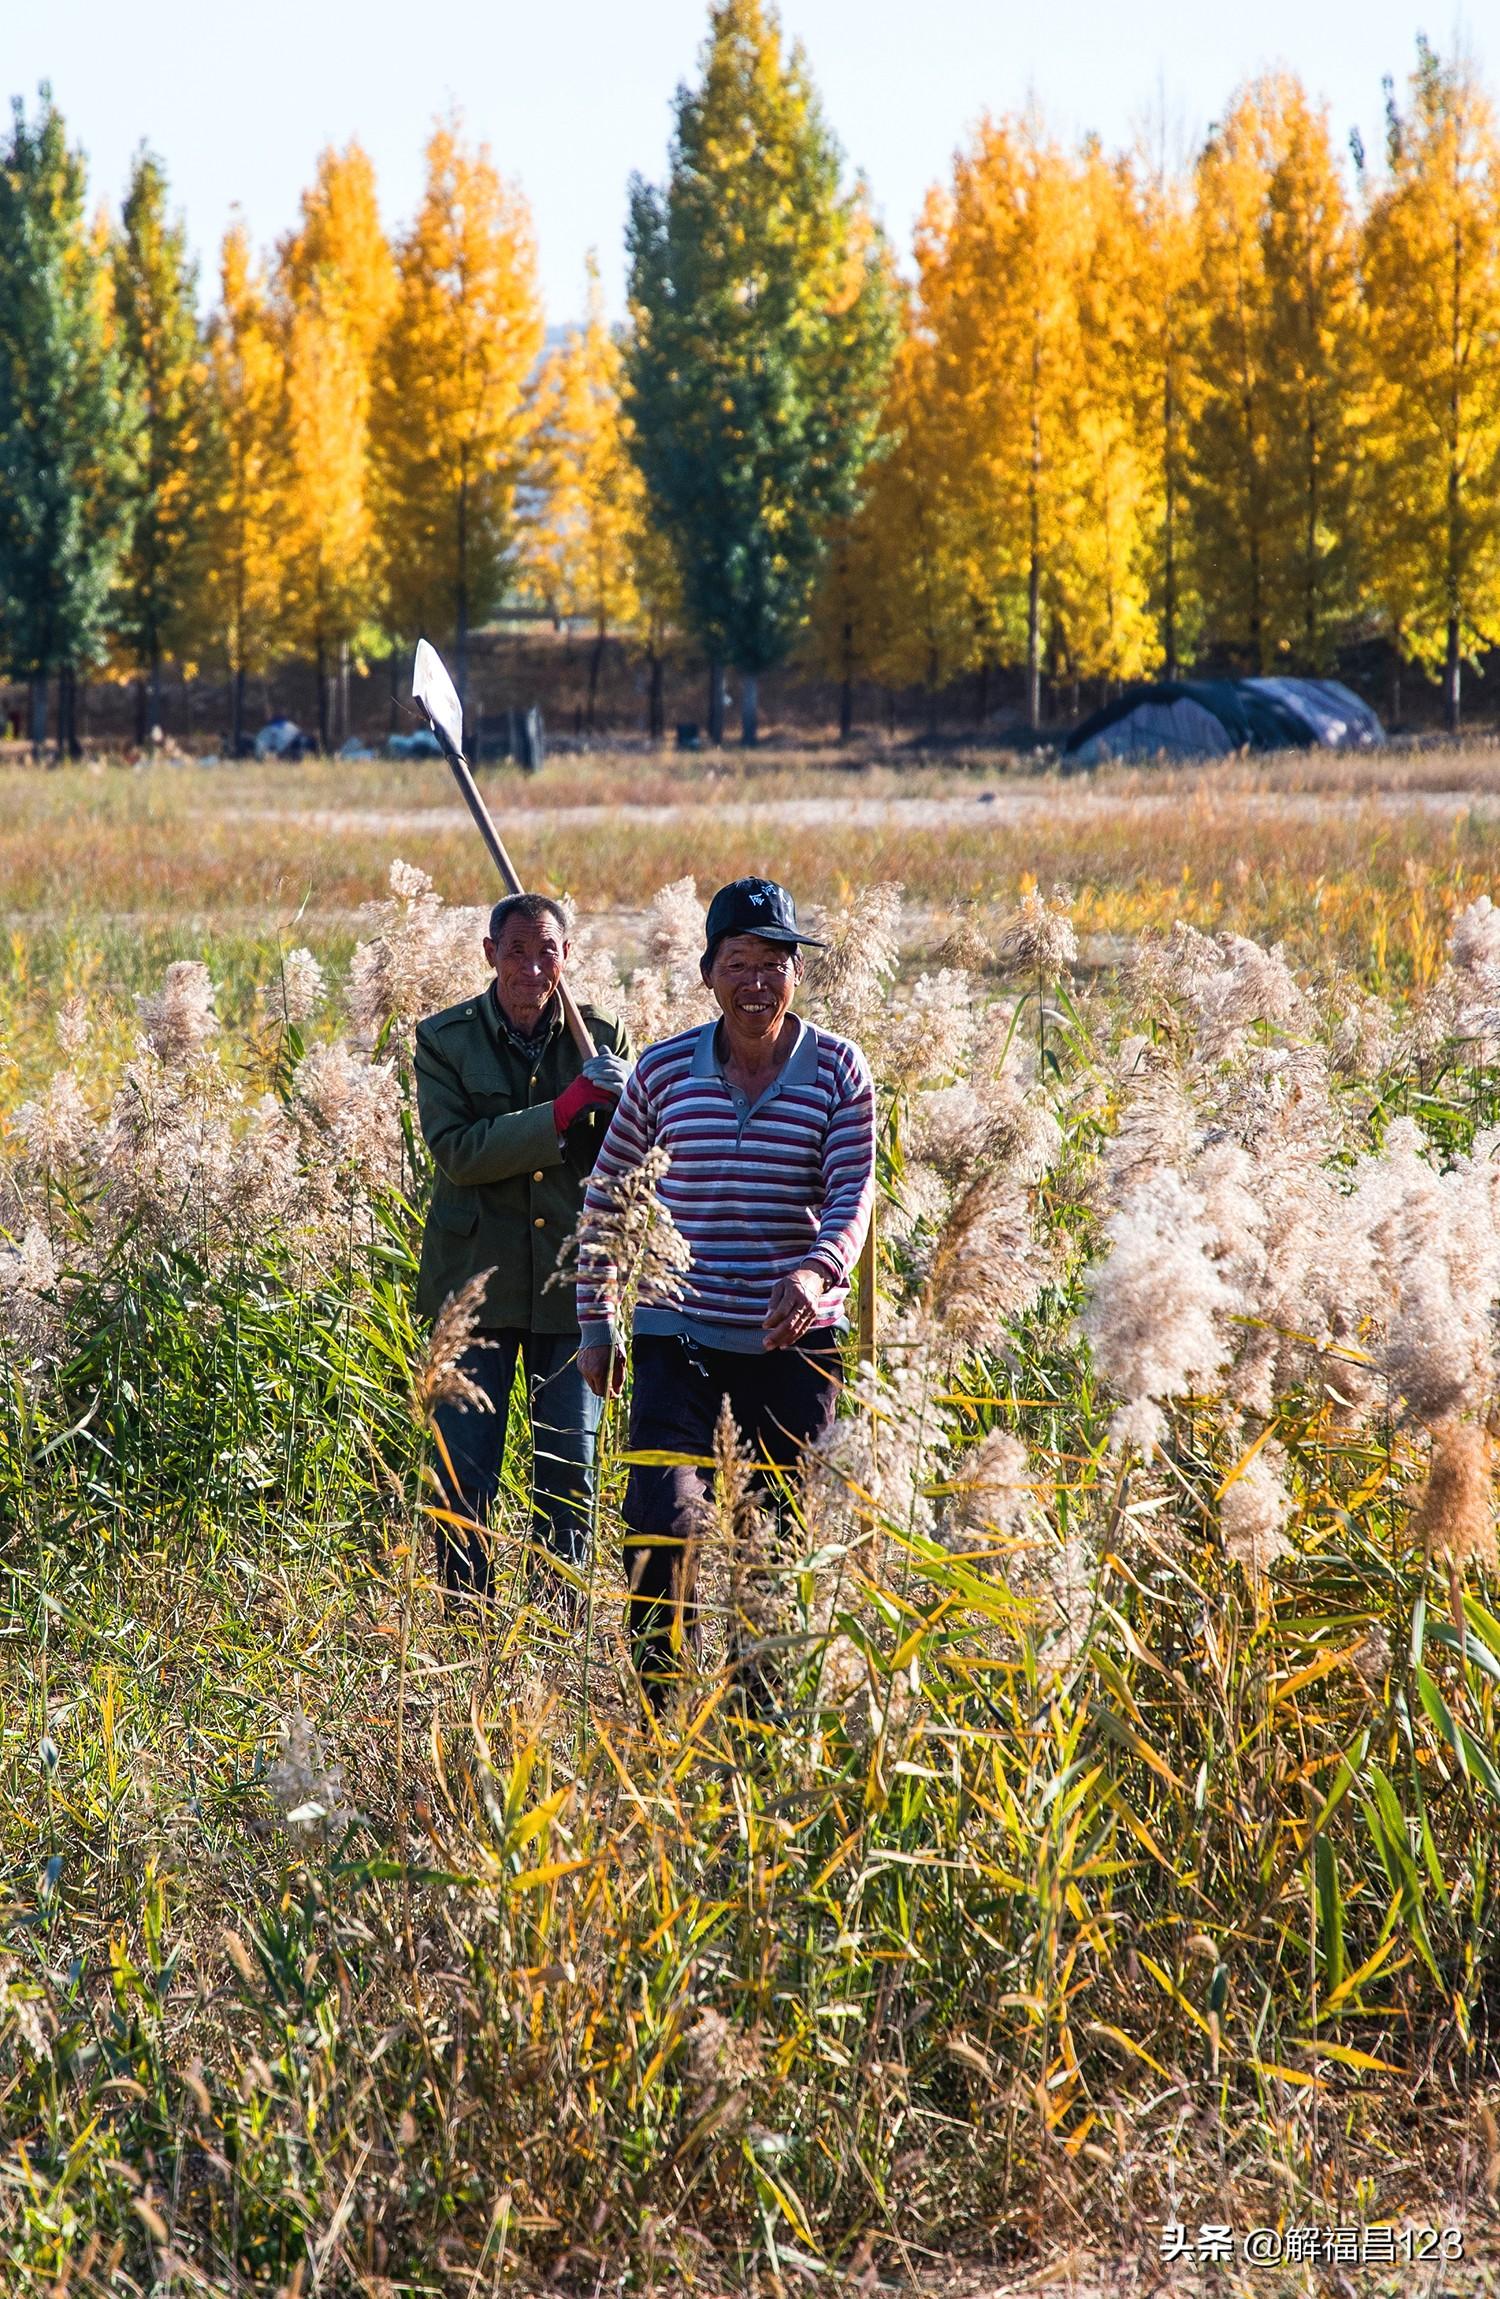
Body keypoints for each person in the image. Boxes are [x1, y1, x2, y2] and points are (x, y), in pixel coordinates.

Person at [577, 877, 875, 1705]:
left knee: (770, 1545)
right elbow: (606, 1197)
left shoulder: (839, 1070)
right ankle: (658, 1719)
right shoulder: (665, 1072)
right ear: (708, 973)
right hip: (680, 1334)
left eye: (774, 963)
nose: (757, 982)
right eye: (739, 963)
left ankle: (756, 1734)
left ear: (796, 975)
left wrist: (816, 1272)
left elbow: (853, 1193)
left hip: (793, 1344)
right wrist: (597, 1321)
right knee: (660, 1524)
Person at [414, 893, 631, 1609]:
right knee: (462, 1470)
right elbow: (459, 1152)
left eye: (548, 953)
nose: (532, 968)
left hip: (568, 1286)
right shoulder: (444, 1040)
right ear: (489, 954)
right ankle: (464, 1626)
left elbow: (620, 1161)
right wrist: (565, 1109)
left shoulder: (600, 1037)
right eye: (516, 951)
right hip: (474, 1287)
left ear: (566, 959)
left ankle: (554, 1629)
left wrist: (623, 1103)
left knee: (569, 1468)